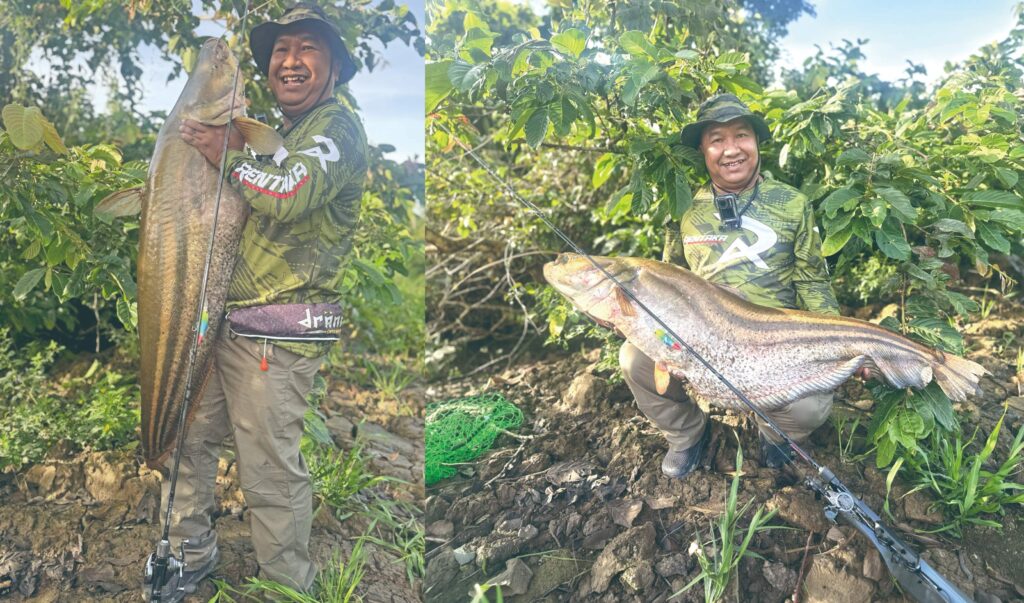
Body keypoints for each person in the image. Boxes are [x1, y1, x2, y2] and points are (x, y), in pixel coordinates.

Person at [154, 3, 368, 599]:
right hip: (224, 324)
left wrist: (223, 150)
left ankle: (288, 587)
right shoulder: (281, 133)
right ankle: (189, 556)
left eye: (308, 49)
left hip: (280, 333)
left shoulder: (337, 130)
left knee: (269, 471)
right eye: (281, 50)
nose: (290, 61)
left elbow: (290, 193)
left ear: (334, 67)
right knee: (187, 438)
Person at [618, 93, 848, 479]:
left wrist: (834, 340)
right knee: (634, 359)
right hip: (702, 334)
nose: (731, 150)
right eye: (716, 140)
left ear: (756, 143)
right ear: (703, 151)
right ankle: (689, 434)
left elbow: (812, 279)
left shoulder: (792, 203)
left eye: (741, 136)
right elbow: (669, 279)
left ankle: (776, 435)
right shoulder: (684, 209)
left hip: (774, 337)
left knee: (808, 408)